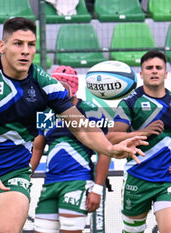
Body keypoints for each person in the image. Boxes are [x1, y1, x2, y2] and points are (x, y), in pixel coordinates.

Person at [0, 17, 148, 233]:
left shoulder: (44, 83)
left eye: (31, 45)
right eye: (18, 43)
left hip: (12, 173)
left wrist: (110, 148)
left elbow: (81, 126)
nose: (25, 51)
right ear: (2, 46)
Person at [107, 50, 171, 233]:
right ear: (141, 73)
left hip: (168, 178)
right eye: (149, 68)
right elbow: (112, 137)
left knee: (170, 229)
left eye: (158, 67)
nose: (154, 71)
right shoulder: (130, 103)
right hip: (137, 177)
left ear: (165, 73)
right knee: (133, 231)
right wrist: (142, 132)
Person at [31, 65, 111, 233]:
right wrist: (24, 177)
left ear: (73, 87)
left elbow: (104, 150)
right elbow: (37, 148)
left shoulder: (92, 111)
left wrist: (97, 189)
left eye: (63, 86)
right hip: (50, 182)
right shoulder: (46, 112)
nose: (57, 90)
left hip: (77, 181)